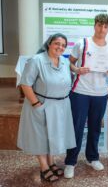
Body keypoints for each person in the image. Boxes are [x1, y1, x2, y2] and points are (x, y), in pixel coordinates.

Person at [64, 14, 108, 178]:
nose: (102, 29)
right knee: (76, 128)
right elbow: (69, 62)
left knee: (95, 127)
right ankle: (70, 161)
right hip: (80, 91)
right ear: (95, 25)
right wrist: (76, 69)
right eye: (100, 25)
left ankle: (92, 157)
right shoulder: (82, 43)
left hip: (101, 93)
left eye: (106, 27)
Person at [17, 33, 76, 182]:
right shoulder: (36, 61)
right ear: (49, 44)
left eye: (63, 45)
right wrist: (36, 104)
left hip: (60, 106)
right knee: (41, 137)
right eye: (57, 43)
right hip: (41, 104)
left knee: (53, 135)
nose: (60, 47)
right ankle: (44, 167)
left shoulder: (63, 61)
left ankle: (52, 162)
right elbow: (25, 84)